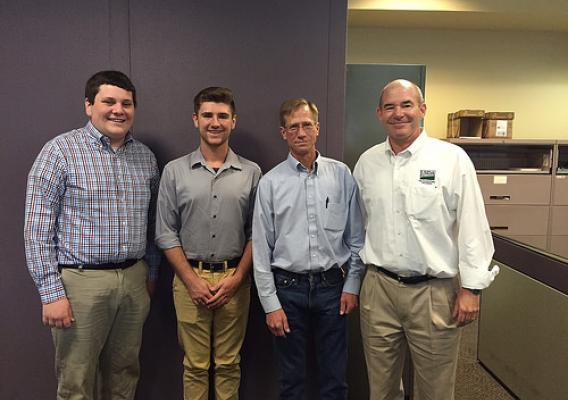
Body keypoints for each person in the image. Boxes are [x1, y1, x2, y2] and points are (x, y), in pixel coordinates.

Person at [353, 79, 499, 400]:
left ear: (422, 109)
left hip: (434, 292)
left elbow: (473, 225)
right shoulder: (367, 163)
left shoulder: (451, 159)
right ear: (379, 114)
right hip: (379, 289)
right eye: (390, 107)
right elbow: (358, 228)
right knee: (381, 388)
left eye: (406, 105)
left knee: (435, 389)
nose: (399, 113)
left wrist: (471, 289)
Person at [24, 70, 160, 400]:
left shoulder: (145, 158)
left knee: (125, 373)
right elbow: (37, 230)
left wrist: (150, 275)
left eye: (126, 103)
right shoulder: (59, 151)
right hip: (80, 285)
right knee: (76, 379)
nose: (118, 110)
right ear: (89, 105)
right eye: (108, 101)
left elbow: (153, 223)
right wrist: (50, 292)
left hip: (133, 280)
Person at [252, 98, 365, 400]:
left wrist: (352, 285)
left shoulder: (341, 175)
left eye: (306, 125)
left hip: (333, 289)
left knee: (334, 378)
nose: (300, 132)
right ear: (283, 133)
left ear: (317, 128)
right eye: (293, 127)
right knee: (292, 382)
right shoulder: (270, 183)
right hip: (288, 291)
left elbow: (356, 239)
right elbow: (261, 250)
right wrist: (270, 304)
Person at [155, 87, 261, 400]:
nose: (215, 122)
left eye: (222, 116)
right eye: (208, 115)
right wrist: (191, 280)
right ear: (195, 120)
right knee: (195, 366)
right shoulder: (175, 171)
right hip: (189, 281)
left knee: (229, 363)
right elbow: (164, 231)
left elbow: (259, 231)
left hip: (235, 281)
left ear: (233, 121)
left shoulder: (251, 172)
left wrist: (238, 278)